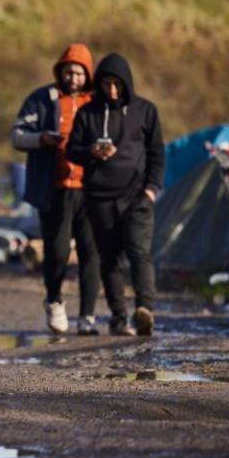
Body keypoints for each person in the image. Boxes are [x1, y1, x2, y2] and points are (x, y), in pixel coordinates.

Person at [66, 53, 165, 336]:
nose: (111, 90)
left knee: (138, 253)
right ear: (99, 84)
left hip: (137, 196)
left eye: (117, 85)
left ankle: (145, 311)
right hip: (99, 197)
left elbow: (158, 152)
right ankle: (118, 318)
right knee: (108, 259)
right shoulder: (87, 114)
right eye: (106, 84)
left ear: (126, 84)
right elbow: (72, 150)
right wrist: (91, 152)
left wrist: (151, 189)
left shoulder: (146, 111)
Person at [12, 44, 102, 335]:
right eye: (68, 71)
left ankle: (87, 316)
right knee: (57, 252)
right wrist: (41, 140)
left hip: (90, 190)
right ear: (60, 71)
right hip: (54, 189)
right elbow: (17, 136)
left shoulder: (97, 102)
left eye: (79, 73)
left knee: (91, 252)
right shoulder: (42, 99)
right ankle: (54, 300)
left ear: (88, 75)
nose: (73, 78)